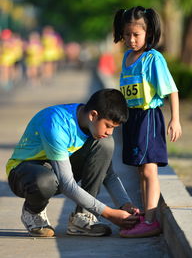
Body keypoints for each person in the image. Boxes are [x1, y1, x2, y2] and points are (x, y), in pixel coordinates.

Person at [6, 88, 140, 238]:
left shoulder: (91, 124)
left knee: (106, 144)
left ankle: (82, 217)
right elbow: (67, 184)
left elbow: (107, 174)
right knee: (45, 182)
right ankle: (32, 211)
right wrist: (109, 214)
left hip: (55, 169)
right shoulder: (56, 125)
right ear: (93, 115)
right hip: (24, 173)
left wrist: (125, 204)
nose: (110, 132)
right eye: (108, 126)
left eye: (114, 128)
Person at [113, 6, 182, 238]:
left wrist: (175, 119)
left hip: (148, 118)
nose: (131, 40)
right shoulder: (126, 58)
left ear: (149, 33)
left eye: (136, 35)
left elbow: (171, 90)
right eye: (127, 34)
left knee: (150, 169)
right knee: (140, 170)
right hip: (132, 119)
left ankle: (152, 220)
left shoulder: (153, 58)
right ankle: (144, 215)